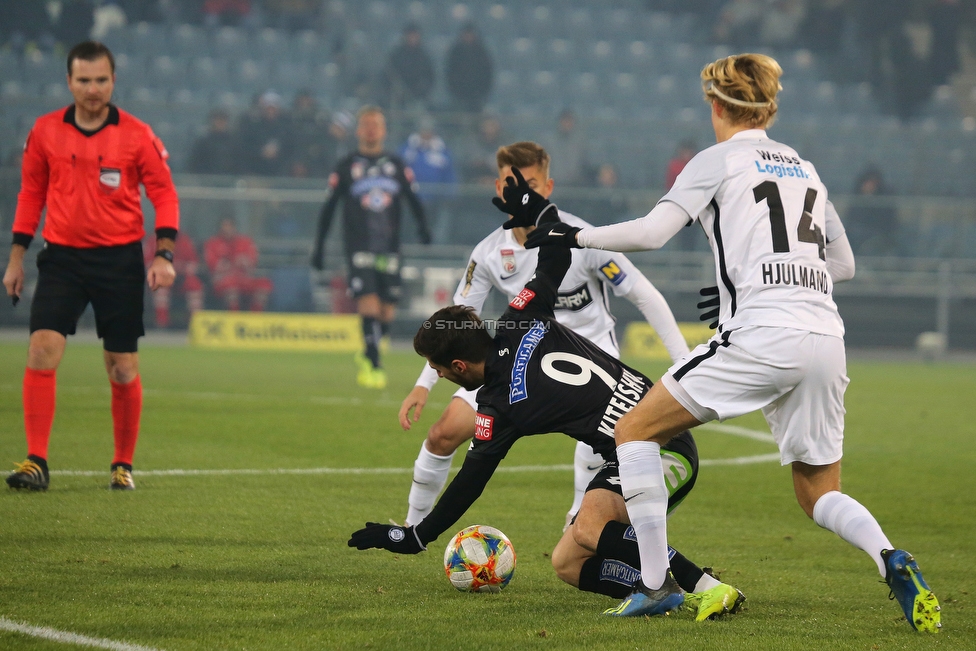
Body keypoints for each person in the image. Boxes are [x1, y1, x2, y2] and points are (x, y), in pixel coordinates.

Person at [525, 53, 941, 632]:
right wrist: (774, 277)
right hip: (825, 338)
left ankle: (655, 586)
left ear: (715, 105)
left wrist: (574, 235)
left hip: (763, 335)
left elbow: (650, 233)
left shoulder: (717, 161)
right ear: (765, 106)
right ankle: (890, 556)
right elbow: (842, 263)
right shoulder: (805, 168)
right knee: (818, 493)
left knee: (633, 431)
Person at [352, 175, 744, 621]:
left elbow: (469, 482)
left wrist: (416, 537)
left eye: (438, 370)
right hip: (647, 433)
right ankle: (661, 588)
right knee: (567, 562)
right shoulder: (520, 315)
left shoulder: (498, 407)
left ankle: (704, 587)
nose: (437, 375)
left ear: (458, 367)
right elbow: (556, 251)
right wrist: (538, 208)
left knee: (593, 527)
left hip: (660, 446)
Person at [398, 141, 690, 533]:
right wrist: (424, 384)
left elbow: (644, 295)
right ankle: (412, 526)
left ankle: (579, 522)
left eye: (530, 184)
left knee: (594, 447)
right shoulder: (487, 252)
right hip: (511, 358)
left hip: (589, 352)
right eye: (509, 183)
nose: (520, 192)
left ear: (547, 188)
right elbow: (449, 329)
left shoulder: (582, 237)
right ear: (498, 187)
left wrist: (682, 360)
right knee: (443, 432)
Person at [3, 41, 179, 492]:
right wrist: (17, 258)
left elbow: (164, 194)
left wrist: (163, 253)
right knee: (41, 348)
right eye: (84, 80)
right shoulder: (44, 132)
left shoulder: (138, 135)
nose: (93, 89)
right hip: (61, 258)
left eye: (101, 80)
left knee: (121, 366)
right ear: (69, 82)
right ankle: (35, 461)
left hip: (119, 260)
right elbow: (30, 195)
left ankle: (123, 465)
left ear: (113, 81)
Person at [311, 106, 431, 389]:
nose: (371, 129)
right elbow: (329, 208)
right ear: (358, 130)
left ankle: (369, 350)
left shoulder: (397, 164)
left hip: (389, 246)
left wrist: (424, 228)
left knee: (387, 310)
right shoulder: (346, 165)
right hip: (358, 245)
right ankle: (374, 365)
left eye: (376, 124)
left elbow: (414, 200)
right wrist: (319, 246)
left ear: (384, 130)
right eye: (366, 124)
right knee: (368, 302)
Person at [398, 116, 457, 244]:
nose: (426, 133)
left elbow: (450, 175)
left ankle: (434, 252)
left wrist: (449, 195)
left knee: (434, 230)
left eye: (429, 130)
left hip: (436, 201)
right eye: (423, 130)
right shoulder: (407, 149)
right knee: (410, 229)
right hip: (411, 200)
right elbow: (398, 170)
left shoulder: (442, 151)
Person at [204, 217, 272, 312]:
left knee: (264, 284)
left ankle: (255, 317)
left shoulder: (246, 242)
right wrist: (228, 265)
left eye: (230, 226)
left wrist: (245, 262)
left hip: (244, 279)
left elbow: (252, 263)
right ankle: (234, 316)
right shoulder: (213, 243)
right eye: (225, 226)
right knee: (231, 287)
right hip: (224, 281)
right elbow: (213, 265)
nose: (227, 229)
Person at [142, 233, 204, 328]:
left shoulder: (185, 241)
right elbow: (148, 263)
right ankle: (162, 323)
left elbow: (194, 263)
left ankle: (195, 324)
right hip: (162, 276)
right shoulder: (153, 240)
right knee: (160, 286)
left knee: (195, 286)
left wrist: (182, 269)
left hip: (182, 277)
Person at [382, 23, 435, 112]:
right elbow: (388, 75)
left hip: (418, 98)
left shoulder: (424, 56)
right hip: (398, 99)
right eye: (410, 35)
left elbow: (430, 77)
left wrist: (422, 90)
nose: (412, 38)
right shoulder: (396, 55)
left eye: (415, 35)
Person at [445, 22, 494, 115]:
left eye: (470, 34)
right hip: (459, 96)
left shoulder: (481, 52)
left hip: (478, 96)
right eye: (466, 34)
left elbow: (488, 73)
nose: (468, 36)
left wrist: (482, 92)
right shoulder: (456, 52)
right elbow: (450, 73)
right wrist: (455, 91)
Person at [186, 108, 240, 175]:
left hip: (229, 179)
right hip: (206, 180)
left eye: (223, 120)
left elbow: (239, 163)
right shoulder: (203, 142)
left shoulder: (234, 143)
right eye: (218, 120)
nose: (220, 123)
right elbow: (195, 163)